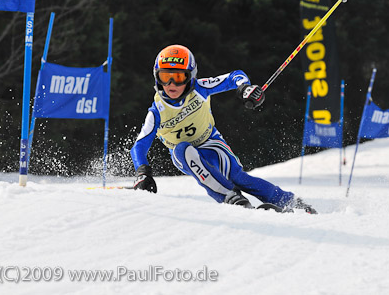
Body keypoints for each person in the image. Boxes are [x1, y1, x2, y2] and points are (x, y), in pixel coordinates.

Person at [130, 44, 316, 213]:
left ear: (190, 77)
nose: (171, 85)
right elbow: (139, 147)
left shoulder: (200, 88)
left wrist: (244, 88)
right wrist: (142, 172)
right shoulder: (157, 112)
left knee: (238, 177)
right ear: (156, 77)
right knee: (182, 149)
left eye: (178, 77)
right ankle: (230, 197)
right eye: (165, 77)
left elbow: (235, 76)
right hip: (184, 156)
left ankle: (291, 202)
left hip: (211, 142)